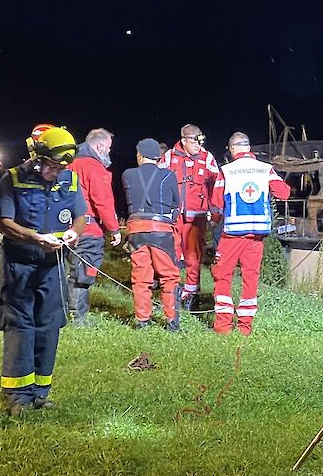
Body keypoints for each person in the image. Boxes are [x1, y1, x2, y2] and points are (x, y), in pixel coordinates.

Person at [0, 125, 86, 415]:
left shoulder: (70, 180)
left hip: (52, 266)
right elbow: (4, 223)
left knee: (49, 325)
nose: (57, 172)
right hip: (19, 264)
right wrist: (34, 238)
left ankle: (40, 393)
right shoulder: (13, 179)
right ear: (38, 158)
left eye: (61, 167)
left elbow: (81, 215)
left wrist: (74, 232)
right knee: (20, 326)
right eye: (53, 166)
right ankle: (18, 397)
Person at [209, 131, 291, 335]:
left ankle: (223, 326)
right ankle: (245, 328)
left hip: (233, 234)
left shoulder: (226, 170)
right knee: (250, 278)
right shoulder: (265, 169)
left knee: (222, 275)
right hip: (257, 234)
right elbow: (284, 193)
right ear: (249, 148)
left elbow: (216, 205)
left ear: (233, 149)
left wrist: (214, 223)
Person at [122, 138, 181, 331]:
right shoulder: (168, 175)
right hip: (161, 231)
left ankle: (142, 320)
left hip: (136, 230)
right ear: (159, 157)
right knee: (169, 276)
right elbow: (176, 204)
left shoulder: (127, 174)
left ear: (139, 155)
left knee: (140, 277)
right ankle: (172, 321)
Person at [160, 123, 220, 311]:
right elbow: (159, 182)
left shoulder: (206, 157)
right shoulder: (170, 156)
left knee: (194, 256)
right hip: (174, 215)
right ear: (184, 140)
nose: (199, 145)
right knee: (173, 254)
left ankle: (191, 296)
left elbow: (216, 186)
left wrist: (215, 212)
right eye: (195, 141)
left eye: (201, 141)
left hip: (197, 217)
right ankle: (173, 293)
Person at [66, 128, 122, 324]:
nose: (109, 152)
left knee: (73, 269)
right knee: (84, 272)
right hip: (89, 229)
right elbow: (103, 201)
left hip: (67, 227)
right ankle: (76, 318)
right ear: (99, 146)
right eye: (108, 148)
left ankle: (70, 312)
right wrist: (114, 229)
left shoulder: (69, 163)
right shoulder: (94, 167)